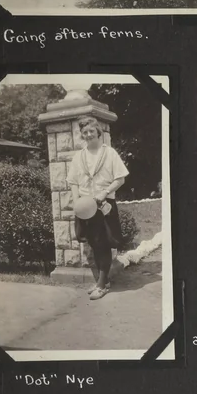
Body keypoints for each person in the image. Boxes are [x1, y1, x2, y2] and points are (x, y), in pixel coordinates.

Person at [67, 115, 128, 301]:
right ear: (82, 135)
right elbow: (73, 181)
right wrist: (77, 199)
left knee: (103, 243)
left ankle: (102, 285)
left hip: (104, 204)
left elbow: (121, 178)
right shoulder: (79, 156)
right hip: (85, 206)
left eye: (91, 131)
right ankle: (103, 281)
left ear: (98, 132)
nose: (88, 134)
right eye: (84, 132)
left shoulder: (109, 153)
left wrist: (105, 191)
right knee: (93, 243)